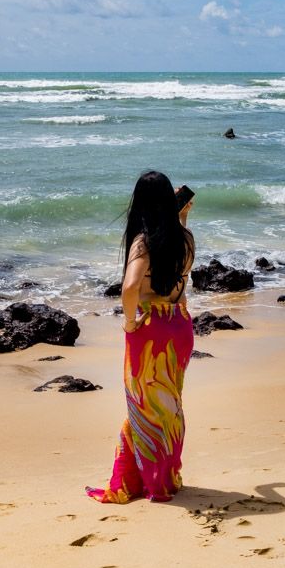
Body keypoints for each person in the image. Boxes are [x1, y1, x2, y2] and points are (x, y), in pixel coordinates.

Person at [86, 170, 195, 503]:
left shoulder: (143, 241)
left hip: (151, 333)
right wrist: (182, 217)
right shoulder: (186, 238)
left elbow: (131, 286)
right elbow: (173, 250)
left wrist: (131, 323)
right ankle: (164, 474)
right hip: (179, 326)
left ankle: (145, 480)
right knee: (167, 404)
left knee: (142, 406)